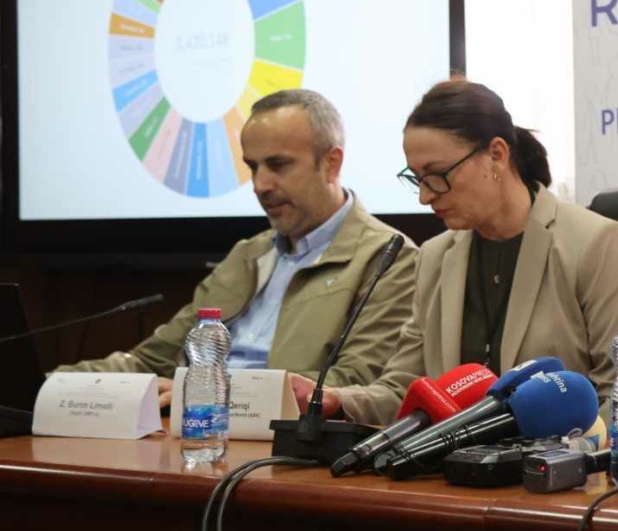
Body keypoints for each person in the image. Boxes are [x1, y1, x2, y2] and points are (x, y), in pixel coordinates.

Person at [294, 79, 618, 424]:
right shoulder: (435, 257)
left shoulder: (593, 242)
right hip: (457, 464)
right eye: (417, 179)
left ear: (496, 154)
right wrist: (337, 399)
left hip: (564, 461)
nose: (425, 196)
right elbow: (405, 390)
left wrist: (573, 453)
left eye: (438, 174)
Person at [59, 90, 417, 406]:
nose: (260, 185)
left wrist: (203, 392)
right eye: (252, 167)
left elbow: (351, 383)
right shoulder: (247, 255)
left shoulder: (388, 258)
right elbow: (150, 363)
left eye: (278, 165)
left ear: (331, 163)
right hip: (194, 430)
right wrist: (52, 384)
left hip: (282, 446)